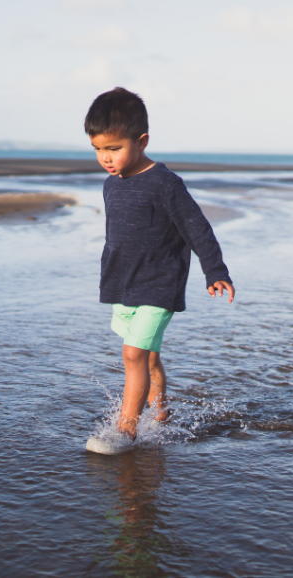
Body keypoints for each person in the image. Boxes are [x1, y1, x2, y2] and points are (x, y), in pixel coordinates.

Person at [83, 87, 235, 455]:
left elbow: (197, 227)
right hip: (124, 285)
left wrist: (215, 270)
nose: (106, 157)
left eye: (114, 148)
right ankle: (161, 413)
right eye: (98, 149)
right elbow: (118, 236)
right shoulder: (110, 185)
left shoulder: (165, 184)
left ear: (142, 140)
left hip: (159, 285)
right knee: (148, 356)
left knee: (132, 355)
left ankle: (126, 431)